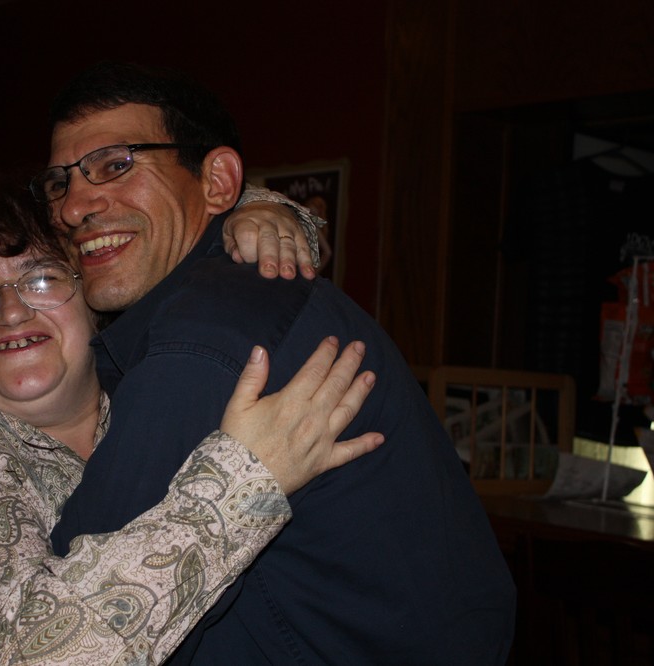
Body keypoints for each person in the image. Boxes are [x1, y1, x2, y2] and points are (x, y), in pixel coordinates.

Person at [39, 61, 517, 664]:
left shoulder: (207, 336)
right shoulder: (208, 305)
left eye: (115, 165)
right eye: (58, 183)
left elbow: (70, 621)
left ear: (218, 182)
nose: (73, 206)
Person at [0, 169, 383, 664]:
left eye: (42, 278)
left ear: (92, 298)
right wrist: (245, 484)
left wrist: (255, 209)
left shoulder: (159, 390)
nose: (12, 311)